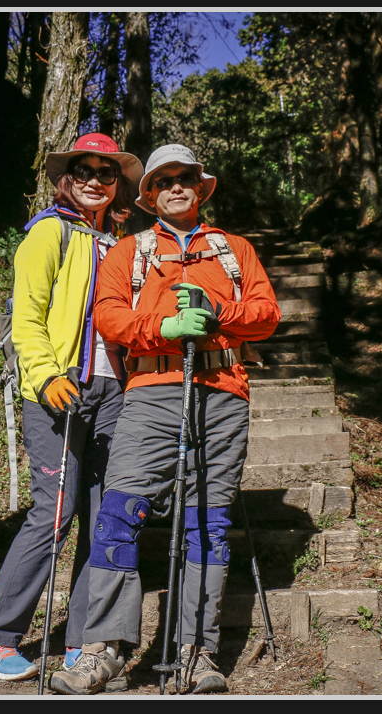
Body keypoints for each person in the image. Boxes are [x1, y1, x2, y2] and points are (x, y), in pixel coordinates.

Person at [48, 144, 281, 695]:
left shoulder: (234, 250)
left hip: (222, 392)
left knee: (207, 523)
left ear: (200, 188)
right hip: (150, 392)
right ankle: (103, 649)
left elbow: (268, 313)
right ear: (149, 193)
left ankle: (195, 653)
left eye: (187, 178)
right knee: (117, 514)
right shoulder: (128, 251)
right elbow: (108, 316)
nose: (177, 187)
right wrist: (164, 327)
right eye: (164, 180)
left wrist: (221, 313)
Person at [0, 133, 143, 681]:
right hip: (59, 389)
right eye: (82, 169)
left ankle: (83, 640)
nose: (95, 178)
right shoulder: (48, 233)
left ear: (117, 185)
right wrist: (44, 376)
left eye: (106, 172)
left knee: (100, 514)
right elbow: (28, 316)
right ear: (65, 178)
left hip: (113, 390)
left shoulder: (119, 242)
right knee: (54, 512)